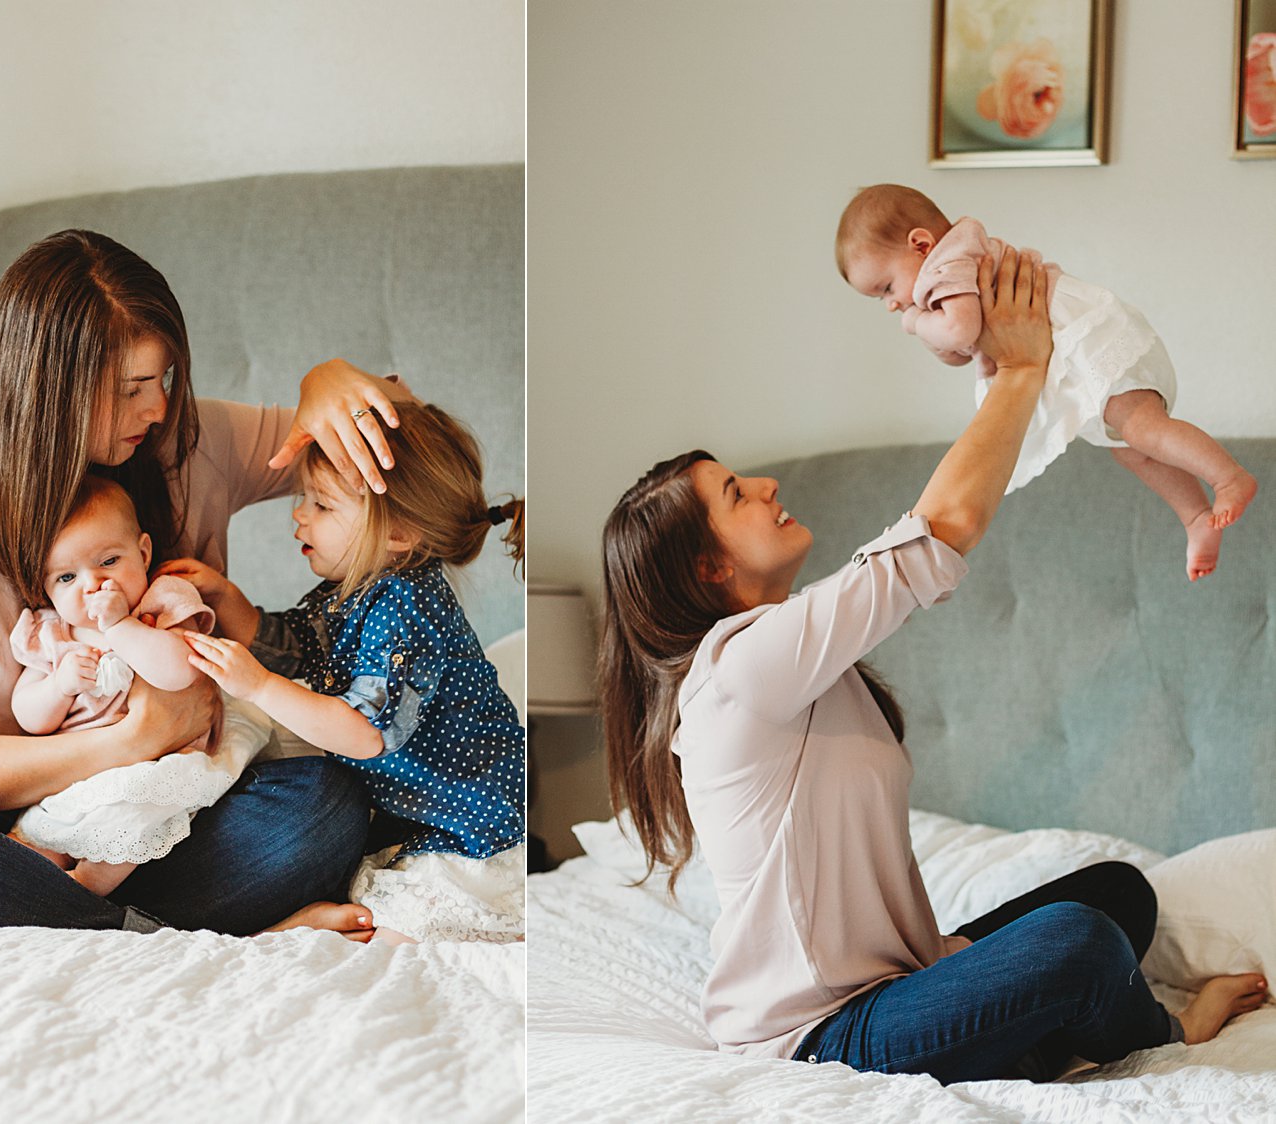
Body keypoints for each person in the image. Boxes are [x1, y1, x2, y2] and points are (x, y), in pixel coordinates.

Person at [599, 246, 1267, 1083]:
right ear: (708, 568)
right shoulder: (739, 667)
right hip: (827, 1031)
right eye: (737, 493)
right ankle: (1169, 1031)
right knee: (1081, 944)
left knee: (1118, 891)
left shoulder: (794, 653)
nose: (767, 485)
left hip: (911, 980)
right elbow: (939, 529)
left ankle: (1027, 1036)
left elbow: (929, 542)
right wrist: (1022, 368)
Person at [0, 228, 410, 938]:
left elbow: (409, 437)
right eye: (129, 389)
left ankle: (52, 922)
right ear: (47, 390)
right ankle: (145, 933)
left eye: (161, 380)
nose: (156, 409)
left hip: (171, 822)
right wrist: (134, 738)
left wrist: (326, 381)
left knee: (327, 798)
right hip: (17, 842)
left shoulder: (187, 446)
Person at [171, 401, 526, 944]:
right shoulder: (355, 590)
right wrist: (229, 602)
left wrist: (261, 687)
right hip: (412, 814)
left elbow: (364, 732)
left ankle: (297, 930)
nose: (299, 515)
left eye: (322, 505)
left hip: (470, 823)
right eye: (302, 500)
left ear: (399, 533)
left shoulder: (406, 605)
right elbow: (298, 646)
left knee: (401, 928)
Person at [836, 184, 1256, 582]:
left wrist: (917, 322)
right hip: (1069, 358)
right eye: (882, 298)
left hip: (1083, 341)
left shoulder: (948, 264)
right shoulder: (946, 276)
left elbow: (961, 330)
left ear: (921, 245)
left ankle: (1228, 478)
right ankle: (1196, 517)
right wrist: (933, 330)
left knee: (1142, 428)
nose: (892, 303)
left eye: (886, 287)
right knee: (1132, 449)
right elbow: (957, 350)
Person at [8, 475, 275, 897]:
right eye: (65, 578)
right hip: (75, 772)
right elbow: (28, 717)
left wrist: (120, 626)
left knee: (134, 815)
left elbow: (178, 672)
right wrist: (59, 687)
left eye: (109, 562)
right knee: (29, 839)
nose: (91, 584)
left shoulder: (161, 604)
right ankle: (8, 891)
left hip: (154, 766)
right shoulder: (53, 634)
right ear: (45, 587)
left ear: (143, 552)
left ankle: (82, 893)